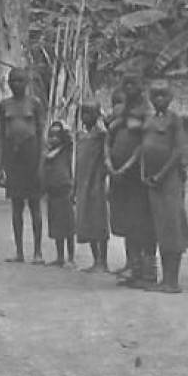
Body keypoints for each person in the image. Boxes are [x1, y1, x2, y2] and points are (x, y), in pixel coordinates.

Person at [140, 81, 188, 293]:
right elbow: (143, 148)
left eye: (163, 96)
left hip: (169, 181)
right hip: (151, 182)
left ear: (170, 98)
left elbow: (178, 151)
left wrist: (161, 175)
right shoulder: (149, 120)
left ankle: (172, 280)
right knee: (158, 229)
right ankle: (163, 278)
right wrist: (144, 173)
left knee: (172, 228)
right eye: (155, 96)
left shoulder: (174, 120)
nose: (159, 99)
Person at [107, 74, 155, 287]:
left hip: (138, 176)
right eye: (124, 84)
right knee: (126, 222)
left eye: (132, 84)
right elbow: (109, 137)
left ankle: (148, 272)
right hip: (118, 175)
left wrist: (127, 166)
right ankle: (132, 268)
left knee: (142, 223)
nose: (128, 88)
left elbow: (144, 143)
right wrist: (109, 162)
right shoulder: (119, 111)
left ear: (141, 87)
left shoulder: (148, 112)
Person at [0, 66, 46, 264]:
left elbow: (41, 132)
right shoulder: (4, 105)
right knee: (16, 206)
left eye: (20, 81)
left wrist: (41, 162)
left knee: (35, 205)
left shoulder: (34, 104)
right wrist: (1, 164)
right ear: (8, 84)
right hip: (12, 158)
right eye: (13, 81)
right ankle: (19, 251)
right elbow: (2, 134)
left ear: (26, 83)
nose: (17, 84)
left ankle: (38, 251)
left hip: (31, 155)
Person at [73, 102, 111, 273]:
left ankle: (103, 261)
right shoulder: (80, 136)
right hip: (82, 183)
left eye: (90, 113)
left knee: (99, 221)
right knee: (86, 221)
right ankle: (96, 259)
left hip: (96, 183)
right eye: (83, 113)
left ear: (97, 115)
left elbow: (107, 155)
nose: (86, 117)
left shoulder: (102, 136)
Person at [42, 119, 75, 267]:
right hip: (52, 191)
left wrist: (62, 126)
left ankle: (71, 258)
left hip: (64, 190)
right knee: (56, 226)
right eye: (51, 135)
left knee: (68, 227)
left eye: (57, 136)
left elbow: (70, 139)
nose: (53, 139)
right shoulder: (48, 153)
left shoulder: (65, 150)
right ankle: (60, 256)